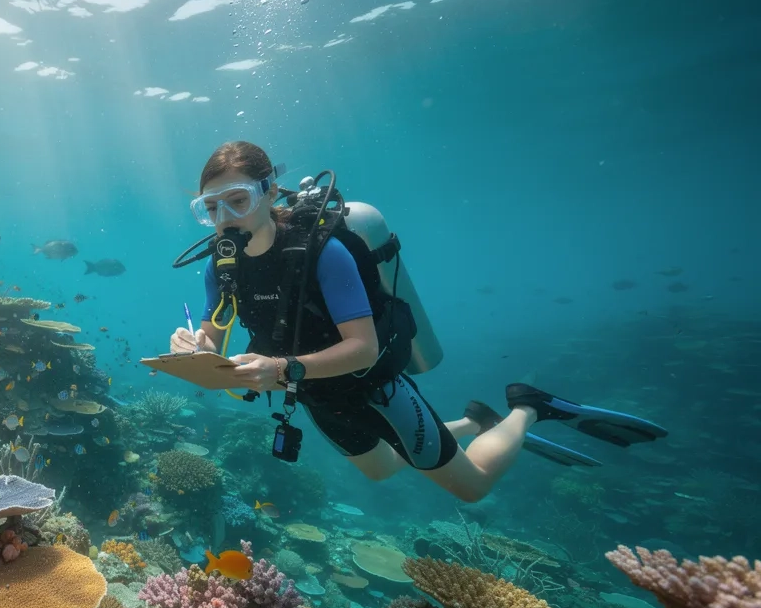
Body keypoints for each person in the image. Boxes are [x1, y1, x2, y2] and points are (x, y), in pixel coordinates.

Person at [169, 141, 666, 502]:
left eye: (237, 200)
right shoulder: (221, 265)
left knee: (472, 487)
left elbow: (363, 348)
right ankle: (476, 422)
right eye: (210, 208)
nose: (224, 217)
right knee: (383, 469)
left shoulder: (322, 252)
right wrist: (196, 346)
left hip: (372, 386)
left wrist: (281, 369)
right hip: (316, 395)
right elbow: (214, 331)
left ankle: (527, 408)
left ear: (269, 192)